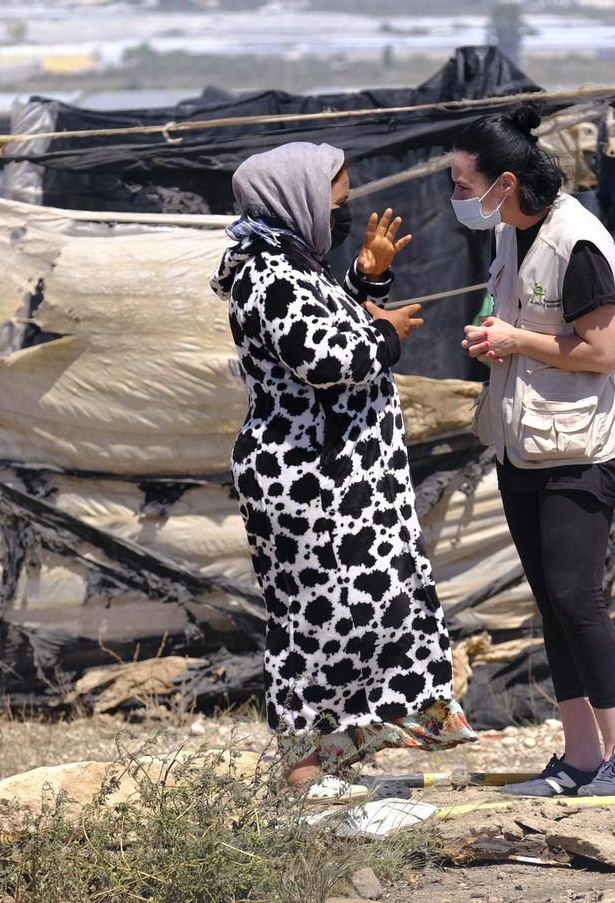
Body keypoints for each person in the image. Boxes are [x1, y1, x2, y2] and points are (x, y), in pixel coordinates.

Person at [210, 142, 477, 790]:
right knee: (313, 622)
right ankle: (303, 774)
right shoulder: (267, 275)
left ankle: (338, 757)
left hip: (342, 486)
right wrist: (386, 336)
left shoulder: (293, 265)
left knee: (363, 613)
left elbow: (330, 322)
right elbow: (327, 360)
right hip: (308, 483)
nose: (342, 211)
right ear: (295, 199)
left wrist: (366, 277)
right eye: (336, 201)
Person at [452, 102, 615, 798]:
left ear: (505, 183)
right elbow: (511, 315)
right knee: (551, 601)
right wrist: (490, 332)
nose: (456, 197)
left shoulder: (577, 242)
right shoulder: (511, 233)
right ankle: (580, 757)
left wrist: (516, 341)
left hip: (580, 450)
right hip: (523, 444)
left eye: (463, 185)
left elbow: (602, 350)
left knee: (577, 597)